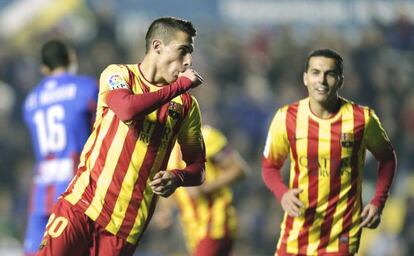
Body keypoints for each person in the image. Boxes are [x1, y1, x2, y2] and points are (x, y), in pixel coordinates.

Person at [36, 16, 206, 256]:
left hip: (125, 226)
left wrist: (178, 177)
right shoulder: (118, 75)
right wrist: (178, 86)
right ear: (157, 46)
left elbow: (198, 168)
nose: (188, 62)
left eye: (190, 53)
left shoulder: (186, 106)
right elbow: (127, 110)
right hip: (82, 204)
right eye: (183, 51)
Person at [262, 49, 397, 256]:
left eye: (330, 74)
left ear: (340, 80)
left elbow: (387, 159)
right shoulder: (286, 117)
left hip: (340, 236)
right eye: (316, 73)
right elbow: (269, 166)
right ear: (305, 78)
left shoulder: (362, 119)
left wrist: (378, 201)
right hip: (297, 233)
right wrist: (283, 194)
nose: (322, 81)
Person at [22, 39, 98, 256]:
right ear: (71, 57)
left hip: (41, 187)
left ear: (44, 68)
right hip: (75, 185)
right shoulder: (86, 88)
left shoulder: (31, 101)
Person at [159, 125, 249, 255]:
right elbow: (169, 188)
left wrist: (205, 188)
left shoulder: (205, 136)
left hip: (216, 223)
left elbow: (238, 169)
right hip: (192, 231)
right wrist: (165, 211)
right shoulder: (166, 148)